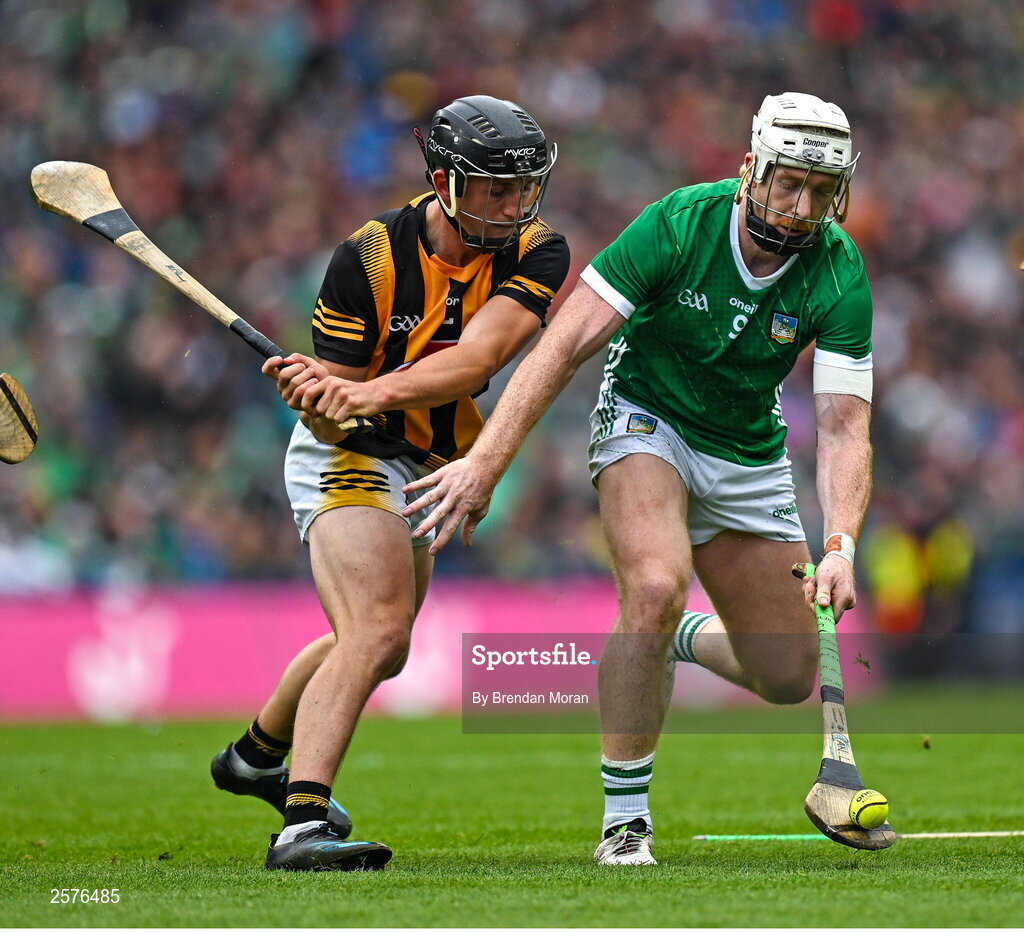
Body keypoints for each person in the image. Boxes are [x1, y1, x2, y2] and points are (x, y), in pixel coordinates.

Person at [403, 92, 872, 866]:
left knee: (789, 673)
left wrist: (842, 544)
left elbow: (847, 426)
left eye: (822, 191)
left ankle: (670, 640)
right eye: (789, 182)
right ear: (750, 169)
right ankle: (626, 820)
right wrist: (486, 463)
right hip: (645, 417)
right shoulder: (677, 224)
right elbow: (561, 347)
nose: (802, 206)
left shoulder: (840, 271)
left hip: (749, 449)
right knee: (654, 585)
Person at [210, 95, 569, 871]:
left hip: (424, 466)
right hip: (345, 456)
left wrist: (367, 391)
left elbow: (477, 361)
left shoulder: (540, 250)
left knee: (385, 644)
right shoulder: (367, 258)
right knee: (375, 627)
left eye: (523, 187)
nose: (515, 206)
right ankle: (302, 823)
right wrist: (322, 398)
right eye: (496, 189)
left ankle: (254, 756)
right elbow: (336, 420)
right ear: (444, 181)